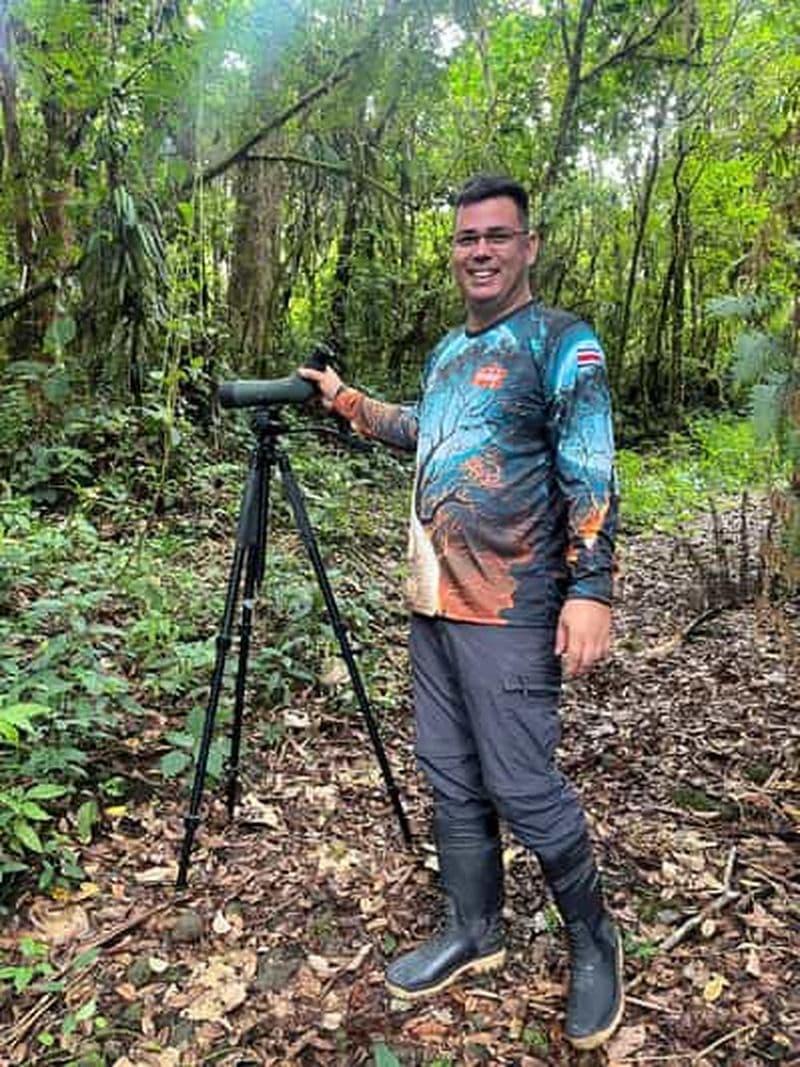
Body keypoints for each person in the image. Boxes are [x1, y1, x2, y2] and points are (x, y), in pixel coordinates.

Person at [299, 174, 623, 1051]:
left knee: (522, 783)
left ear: (527, 246)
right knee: (449, 771)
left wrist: (590, 587)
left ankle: (595, 939)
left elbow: (589, 468)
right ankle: (476, 929)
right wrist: (347, 401)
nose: (479, 250)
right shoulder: (449, 352)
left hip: (509, 607)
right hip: (431, 602)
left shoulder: (562, 342)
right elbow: (429, 432)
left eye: (496, 236)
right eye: (466, 238)